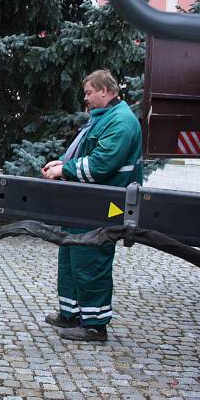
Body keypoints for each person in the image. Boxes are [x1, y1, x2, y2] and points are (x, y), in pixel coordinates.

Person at [41, 69, 143, 342]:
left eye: (89, 93)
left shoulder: (121, 122)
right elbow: (84, 150)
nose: (85, 99)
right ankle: (70, 314)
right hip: (87, 202)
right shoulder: (104, 118)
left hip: (105, 205)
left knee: (90, 260)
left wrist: (65, 170)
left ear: (105, 91)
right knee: (71, 254)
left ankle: (95, 326)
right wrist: (61, 162)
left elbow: (101, 164)